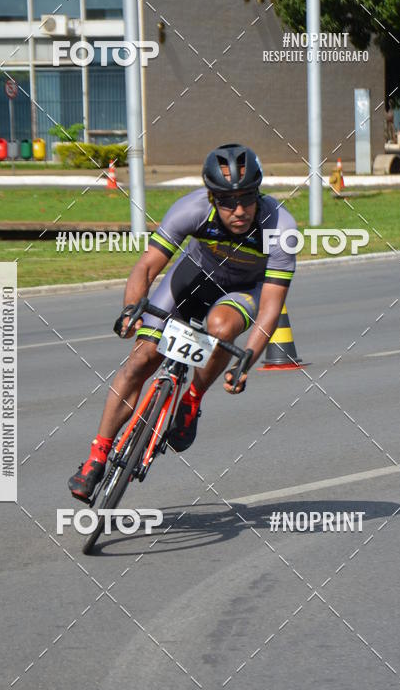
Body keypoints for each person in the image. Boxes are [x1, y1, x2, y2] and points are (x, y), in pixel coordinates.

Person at [68, 142, 297, 501]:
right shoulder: (190, 209)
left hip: (240, 290)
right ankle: (97, 456)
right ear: (210, 198)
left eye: (247, 198)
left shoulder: (280, 226)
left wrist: (246, 362)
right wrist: (131, 309)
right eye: (226, 200)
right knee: (141, 360)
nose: (238, 210)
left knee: (221, 329)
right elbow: (146, 267)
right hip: (194, 277)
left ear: (259, 193)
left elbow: (270, 310)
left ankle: (191, 400)